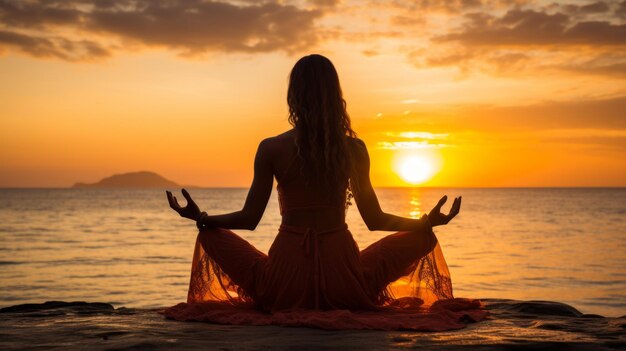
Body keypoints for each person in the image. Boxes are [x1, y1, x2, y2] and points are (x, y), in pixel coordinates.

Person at [162, 54, 486, 331]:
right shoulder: (353, 149)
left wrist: (201, 217)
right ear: (335, 95)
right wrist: (424, 222)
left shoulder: (272, 148)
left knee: (209, 233)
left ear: (294, 96)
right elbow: (374, 219)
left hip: (285, 281)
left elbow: (249, 219)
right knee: (421, 236)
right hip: (344, 277)